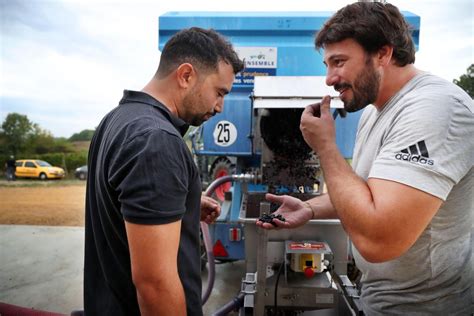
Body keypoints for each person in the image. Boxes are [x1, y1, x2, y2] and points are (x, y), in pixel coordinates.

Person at [257, 2, 473, 315]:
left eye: (339, 62)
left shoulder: (434, 110)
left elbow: (379, 242)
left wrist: (327, 148)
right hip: (382, 300)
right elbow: (368, 193)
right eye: (327, 65)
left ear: (383, 54)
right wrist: (309, 207)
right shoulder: (375, 112)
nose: (330, 79)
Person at [84, 27, 244, 316]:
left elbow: (118, 205)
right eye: (219, 92)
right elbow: (154, 284)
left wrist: (183, 202)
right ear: (186, 75)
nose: (220, 107)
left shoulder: (117, 120)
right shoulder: (156, 141)